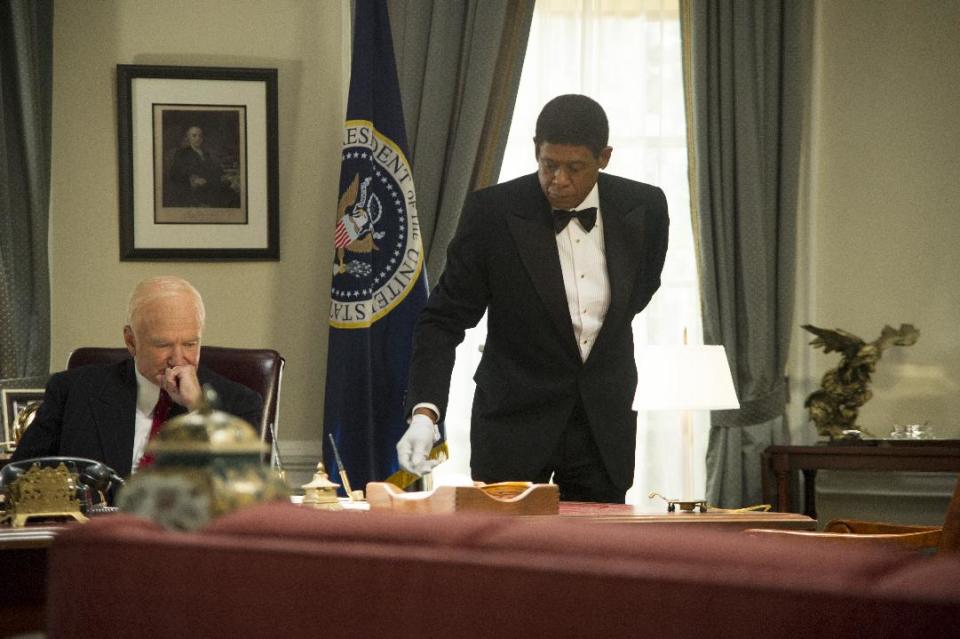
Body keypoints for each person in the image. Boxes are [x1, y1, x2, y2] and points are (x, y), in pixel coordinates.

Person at [396, 95, 669, 503]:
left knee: (597, 559)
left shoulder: (645, 207)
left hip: (602, 428)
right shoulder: (492, 213)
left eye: (574, 168)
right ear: (535, 151)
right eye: (548, 164)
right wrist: (425, 413)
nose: (558, 179)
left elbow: (641, 290)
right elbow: (443, 319)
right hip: (512, 424)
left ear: (604, 157)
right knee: (507, 562)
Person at [11, 276, 262, 478]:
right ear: (131, 341)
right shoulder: (74, 391)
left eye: (190, 343)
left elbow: (243, 492)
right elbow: (17, 477)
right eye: (163, 345)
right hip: (99, 535)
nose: (178, 359)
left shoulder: (239, 403)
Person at [166, 125, 239, 208]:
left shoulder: (205, 153)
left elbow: (215, 169)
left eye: (200, 136)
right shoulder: (182, 153)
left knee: (232, 195)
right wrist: (192, 178)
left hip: (211, 185)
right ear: (188, 138)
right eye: (194, 136)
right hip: (196, 190)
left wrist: (224, 175)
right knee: (226, 198)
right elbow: (175, 172)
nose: (198, 138)